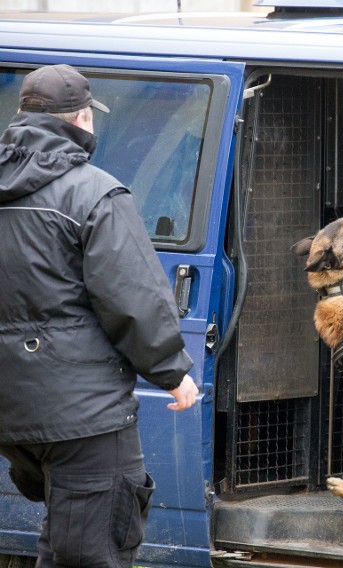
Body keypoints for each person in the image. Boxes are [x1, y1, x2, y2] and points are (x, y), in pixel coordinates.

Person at [0, 64, 199, 568]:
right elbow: (132, 296)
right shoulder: (94, 192)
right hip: (83, 417)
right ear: (83, 119)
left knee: (66, 541)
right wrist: (172, 372)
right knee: (93, 552)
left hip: (12, 413)